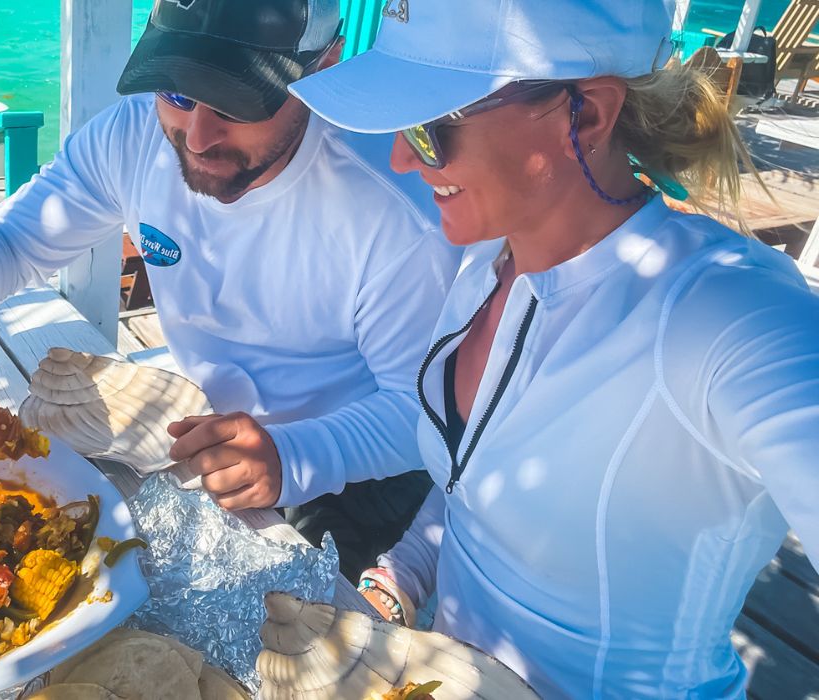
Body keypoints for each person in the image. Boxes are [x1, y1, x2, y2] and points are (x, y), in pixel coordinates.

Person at [291, 0, 819, 697]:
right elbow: (465, 493)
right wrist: (395, 584)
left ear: (589, 114)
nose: (400, 157)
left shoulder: (726, 316)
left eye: (431, 126)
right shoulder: (487, 264)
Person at [0, 0, 460, 580]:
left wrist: (295, 456)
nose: (197, 136)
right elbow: (20, 233)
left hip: (358, 466)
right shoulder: (133, 136)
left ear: (324, 70)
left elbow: (427, 414)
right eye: (176, 92)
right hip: (204, 437)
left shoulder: (396, 213)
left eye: (237, 100)